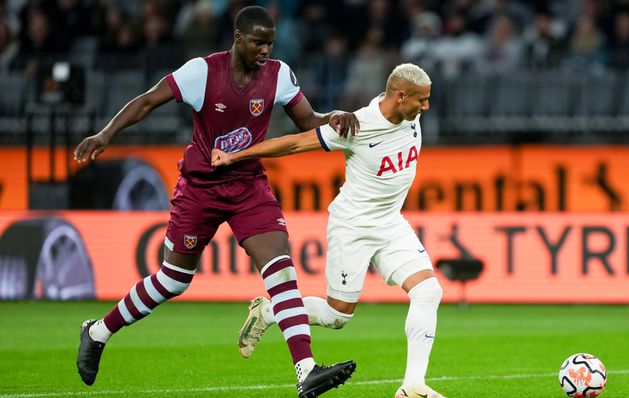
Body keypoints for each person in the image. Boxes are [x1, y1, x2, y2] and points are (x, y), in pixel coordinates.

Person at [73, 6, 358, 398]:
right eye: (258, 42)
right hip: (200, 188)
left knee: (281, 271)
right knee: (173, 280)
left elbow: (308, 120)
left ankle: (305, 370)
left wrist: (335, 117)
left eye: (270, 43)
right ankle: (98, 331)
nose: (265, 50)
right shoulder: (202, 72)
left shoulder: (279, 75)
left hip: (248, 186)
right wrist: (105, 134)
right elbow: (146, 101)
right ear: (238, 38)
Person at [212, 63, 445, 398]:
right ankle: (269, 310)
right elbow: (294, 144)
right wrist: (236, 156)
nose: (426, 107)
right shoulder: (359, 127)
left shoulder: (409, 113)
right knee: (337, 317)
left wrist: (336, 111)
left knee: (428, 291)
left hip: (391, 222)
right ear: (400, 95)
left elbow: (386, 103)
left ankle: (412, 387)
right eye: (421, 100)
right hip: (353, 227)